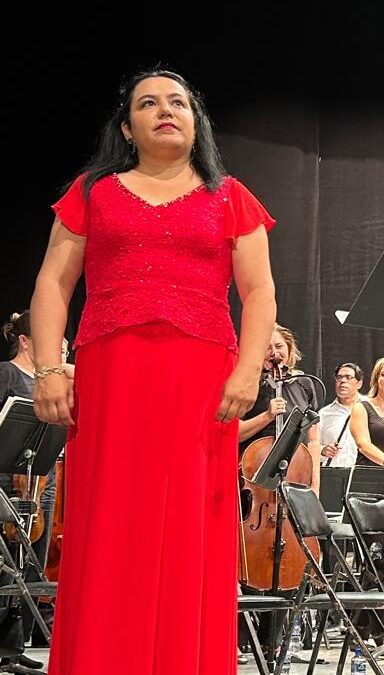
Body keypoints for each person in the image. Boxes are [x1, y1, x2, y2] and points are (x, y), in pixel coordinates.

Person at [29, 69, 276, 675]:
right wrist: (46, 368)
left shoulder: (231, 196)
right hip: (111, 379)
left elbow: (261, 292)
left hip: (201, 386)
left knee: (193, 527)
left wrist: (248, 374)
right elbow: (53, 284)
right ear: (126, 126)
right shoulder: (92, 192)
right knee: (109, 523)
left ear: (197, 123)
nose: (165, 110)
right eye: (148, 103)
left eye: (178, 102)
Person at [0, 311, 70, 670]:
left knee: (33, 557)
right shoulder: (7, 373)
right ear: (25, 341)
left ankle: (15, 644)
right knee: (7, 558)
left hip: (46, 474)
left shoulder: (55, 379)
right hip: (10, 476)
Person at [239, 323, 322, 493]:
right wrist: (267, 416)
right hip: (253, 476)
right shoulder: (246, 385)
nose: (274, 353)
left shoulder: (304, 384)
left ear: (289, 349)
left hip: (295, 475)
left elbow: (313, 440)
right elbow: (234, 434)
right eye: (266, 348)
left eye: (279, 346)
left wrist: (314, 484)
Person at [317, 362, 366, 468]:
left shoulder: (370, 407)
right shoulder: (324, 414)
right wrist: (323, 451)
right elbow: (311, 446)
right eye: (339, 377)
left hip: (366, 474)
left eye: (348, 377)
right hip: (334, 474)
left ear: (359, 384)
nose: (342, 381)